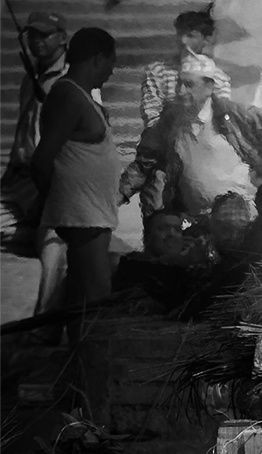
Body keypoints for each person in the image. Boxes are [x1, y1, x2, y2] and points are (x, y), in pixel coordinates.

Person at [119, 53, 262, 256]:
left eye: (189, 84)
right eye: (180, 83)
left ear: (209, 87)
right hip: (193, 222)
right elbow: (144, 164)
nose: (181, 91)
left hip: (241, 217)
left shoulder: (236, 115)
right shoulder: (170, 122)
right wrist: (116, 196)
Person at [31, 27, 123, 339]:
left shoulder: (81, 95)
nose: (112, 70)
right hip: (82, 216)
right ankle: (91, 372)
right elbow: (42, 158)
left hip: (90, 214)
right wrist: (55, 199)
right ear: (98, 58)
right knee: (98, 299)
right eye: (111, 62)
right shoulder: (68, 94)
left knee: (83, 299)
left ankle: (75, 372)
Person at [1, 12, 70, 343]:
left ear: (62, 38)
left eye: (45, 35)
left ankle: (46, 328)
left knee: (55, 246)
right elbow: (22, 134)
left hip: (50, 179)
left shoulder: (67, 81)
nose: (37, 41)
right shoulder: (32, 78)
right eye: (33, 35)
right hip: (19, 180)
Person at [135, 7, 231, 219]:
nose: (182, 40)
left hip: (203, 158)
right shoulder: (158, 72)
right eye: (180, 33)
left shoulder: (218, 78)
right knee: (158, 212)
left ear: (206, 39)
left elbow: (222, 119)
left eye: (190, 35)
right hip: (163, 154)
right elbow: (151, 114)